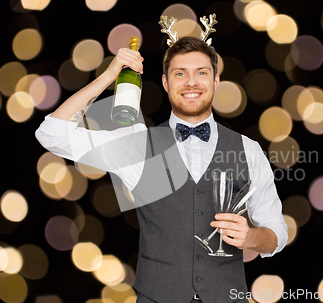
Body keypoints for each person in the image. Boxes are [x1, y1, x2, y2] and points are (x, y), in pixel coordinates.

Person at [36, 36, 287, 303]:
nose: (191, 82)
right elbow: (51, 134)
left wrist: (251, 237)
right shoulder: (137, 145)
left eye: (201, 73)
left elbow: (276, 234)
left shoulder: (248, 149)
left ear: (216, 81)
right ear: (166, 83)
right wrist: (109, 77)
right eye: (180, 74)